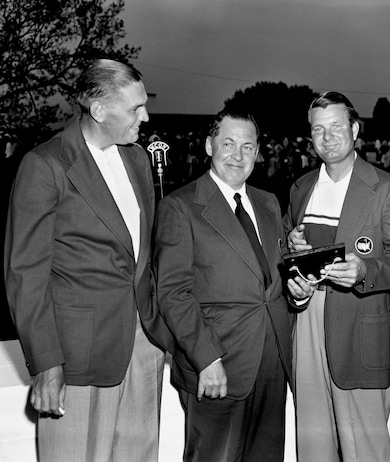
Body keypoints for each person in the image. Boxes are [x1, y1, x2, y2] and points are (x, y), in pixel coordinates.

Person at [4, 58, 173, 461]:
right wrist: (46, 364)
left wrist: (160, 333)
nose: (145, 116)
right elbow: (25, 274)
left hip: (142, 346)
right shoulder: (45, 165)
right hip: (77, 354)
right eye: (135, 108)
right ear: (99, 111)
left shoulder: (136, 160)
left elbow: (143, 255)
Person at [285, 91, 390, 461]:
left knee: (366, 449)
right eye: (318, 130)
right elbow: (285, 252)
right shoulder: (301, 188)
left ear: (355, 129)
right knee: (314, 445)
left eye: (336, 127)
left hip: (360, 328)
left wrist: (365, 270)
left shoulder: (387, 188)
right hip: (308, 324)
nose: (327, 137)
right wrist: (291, 245)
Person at [154, 110, 292, 461]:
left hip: (271, 362)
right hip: (217, 365)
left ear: (258, 150)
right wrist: (206, 359)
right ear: (208, 145)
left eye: (248, 146)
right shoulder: (180, 207)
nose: (238, 155)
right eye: (228, 144)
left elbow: (272, 278)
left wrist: (298, 287)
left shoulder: (268, 202)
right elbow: (173, 293)